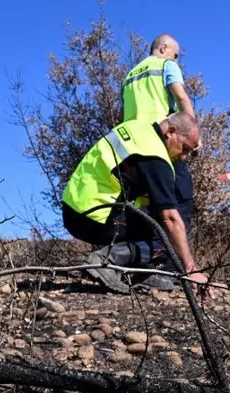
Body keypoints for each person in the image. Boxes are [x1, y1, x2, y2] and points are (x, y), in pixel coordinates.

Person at [61, 111, 210, 294]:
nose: (184, 157)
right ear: (171, 131)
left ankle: (141, 274)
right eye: (185, 148)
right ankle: (107, 261)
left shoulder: (137, 127)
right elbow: (170, 218)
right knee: (168, 236)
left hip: (73, 208)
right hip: (96, 218)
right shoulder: (156, 160)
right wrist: (191, 269)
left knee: (150, 219)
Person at [119, 33, 199, 290]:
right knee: (179, 202)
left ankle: (134, 266)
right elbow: (182, 98)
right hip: (163, 143)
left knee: (143, 206)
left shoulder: (129, 75)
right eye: (176, 55)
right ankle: (164, 267)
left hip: (132, 145)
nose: (177, 60)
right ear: (164, 48)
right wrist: (192, 133)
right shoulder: (166, 66)